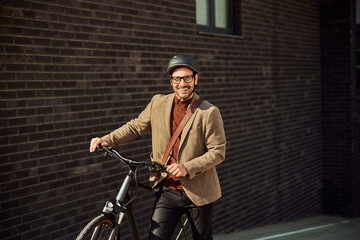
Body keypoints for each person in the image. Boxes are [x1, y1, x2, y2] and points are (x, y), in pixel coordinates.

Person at [90, 54, 226, 240]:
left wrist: (187, 167)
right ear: (171, 81)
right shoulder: (158, 103)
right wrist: (107, 139)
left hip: (198, 193)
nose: (182, 84)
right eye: (177, 79)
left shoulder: (209, 112)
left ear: (195, 79)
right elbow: (135, 126)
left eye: (187, 78)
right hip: (167, 189)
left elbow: (217, 152)